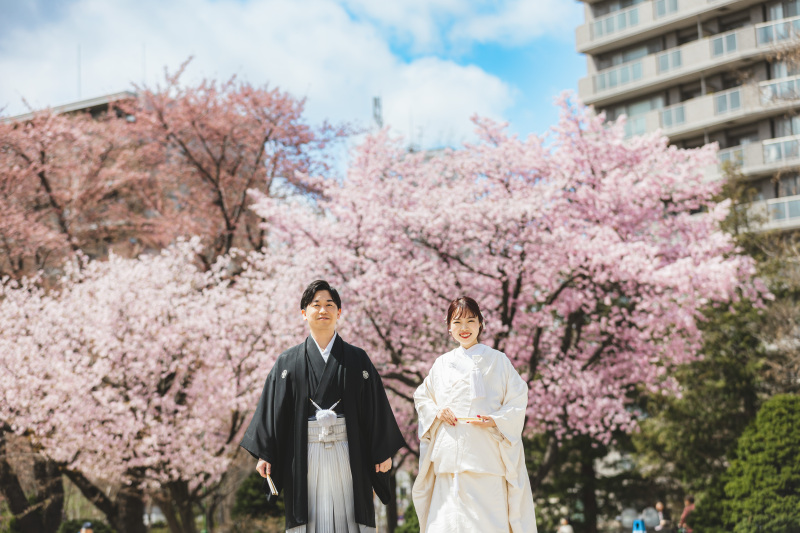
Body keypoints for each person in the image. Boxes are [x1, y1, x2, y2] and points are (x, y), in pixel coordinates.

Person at [240, 280, 407, 532]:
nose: (322, 310)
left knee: (348, 516)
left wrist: (382, 451)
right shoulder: (288, 361)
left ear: (339, 313)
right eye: (315, 305)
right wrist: (266, 452)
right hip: (304, 452)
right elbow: (273, 411)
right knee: (310, 519)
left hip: (348, 449)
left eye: (329, 305)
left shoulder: (357, 358)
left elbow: (375, 407)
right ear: (303, 313)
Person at [412, 296, 537, 533]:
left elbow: (518, 398)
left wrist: (497, 419)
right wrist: (438, 411)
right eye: (457, 322)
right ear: (449, 328)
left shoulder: (499, 361)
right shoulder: (441, 364)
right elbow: (422, 397)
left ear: (481, 323)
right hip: (450, 459)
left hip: (487, 457)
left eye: (471, 320)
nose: (464, 328)